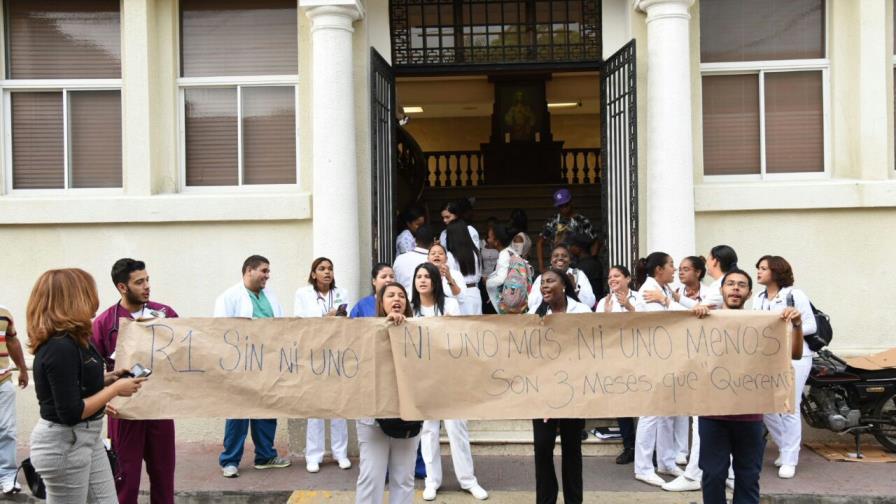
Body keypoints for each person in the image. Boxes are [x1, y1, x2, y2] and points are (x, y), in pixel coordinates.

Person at [26, 268, 145, 503]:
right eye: (89, 291)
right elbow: (70, 411)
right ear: (74, 299)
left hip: (86, 439)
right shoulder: (59, 348)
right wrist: (115, 390)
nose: (95, 298)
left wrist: (110, 378)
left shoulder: (75, 339)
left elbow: (75, 385)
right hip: (64, 444)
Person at [693, 268, 804, 504]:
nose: (735, 288)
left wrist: (796, 325)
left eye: (741, 285)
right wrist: (694, 318)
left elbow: (794, 354)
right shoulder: (703, 321)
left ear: (749, 293)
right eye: (730, 284)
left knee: (748, 477)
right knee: (713, 475)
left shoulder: (763, 324)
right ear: (721, 289)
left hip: (750, 417)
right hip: (713, 416)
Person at [91, 259, 177, 504]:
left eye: (147, 279)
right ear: (122, 287)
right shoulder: (105, 323)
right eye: (139, 282)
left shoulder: (166, 315)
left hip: (159, 410)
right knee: (125, 479)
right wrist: (101, 400)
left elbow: (183, 357)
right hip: (124, 413)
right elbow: (92, 373)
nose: (147, 286)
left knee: (163, 476)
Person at [411, 263, 488, 501]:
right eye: (419, 276)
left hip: (450, 376)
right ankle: (432, 481)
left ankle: (468, 480)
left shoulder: (450, 305)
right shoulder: (410, 309)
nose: (422, 280)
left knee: (457, 428)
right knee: (428, 430)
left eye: (427, 276)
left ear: (435, 280)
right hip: (423, 378)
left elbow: (461, 338)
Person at [216, 255, 290, 478]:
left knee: (266, 410)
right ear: (249, 270)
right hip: (240, 366)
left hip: (267, 364)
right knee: (238, 413)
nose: (268, 276)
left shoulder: (270, 296)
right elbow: (219, 331)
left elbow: (280, 324)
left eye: (268, 271)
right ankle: (230, 460)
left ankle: (265, 456)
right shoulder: (228, 297)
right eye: (264, 271)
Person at [353, 281, 419, 504]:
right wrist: (384, 328)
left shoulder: (418, 332)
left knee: (403, 478)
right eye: (391, 295)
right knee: (371, 477)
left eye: (401, 295)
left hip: (407, 418)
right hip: (372, 416)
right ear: (380, 303)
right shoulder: (365, 331)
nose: (397, 299)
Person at [754, 255, 817, 480]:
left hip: (796, 356)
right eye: (758, 268)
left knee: (789, 406)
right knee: (766, 405)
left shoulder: (794, 295)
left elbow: (810, 325)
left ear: (776, 272)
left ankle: (790, 459)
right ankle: (786, 446)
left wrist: (786, 326)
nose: (758, 272)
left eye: (763, 268)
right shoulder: (758, 298)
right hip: (768, 357)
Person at [532, 269, 589, 504]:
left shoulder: (583, 312)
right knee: (543, 449)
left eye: (550, 281)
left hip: (575, 391)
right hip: (543, 393)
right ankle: (546, 499)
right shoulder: (535, 316)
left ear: (563, 285)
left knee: (572, 449)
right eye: (542, 282)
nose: (545, 286)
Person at [661, 255, 718, 493]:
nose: (681, 273)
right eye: (679, 269)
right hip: (680, 356)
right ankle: (680, 458)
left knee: (700, 415)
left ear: (699, 272)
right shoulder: (674, 292)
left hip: (708, 361)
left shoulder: (711, 293)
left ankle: (697, 470)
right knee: (683, 410)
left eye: (686, 269)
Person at [632, 252, 686, 487]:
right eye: (671, 265)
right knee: (650, 413)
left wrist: (669, 298)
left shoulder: (662, 290)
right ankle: (643, 467)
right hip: (653, 358)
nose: (674, 270)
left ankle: (666, 461)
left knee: (667, 412)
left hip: (667, 358)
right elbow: (673, 320)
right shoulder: (649, 291)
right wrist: (668, 302)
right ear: (658, 270)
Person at [294, 257, 353, 472]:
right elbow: (300, 321)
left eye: (330, 269)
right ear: (313, 274)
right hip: (313, 353)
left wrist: (338, 317)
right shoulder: (302, 294)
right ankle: (314, 455)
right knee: (315, 406)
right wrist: (324, 316)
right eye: (322, 269)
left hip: (337, 352)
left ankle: (340, 453)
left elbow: (345, 319)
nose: (327, 272)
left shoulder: (341, 293)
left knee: (338, 405)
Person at [594, 265, 644, 466]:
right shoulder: (604, 302)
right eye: (609, 277)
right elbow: (598, 332)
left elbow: (650, 325)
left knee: (642, 404)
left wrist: (630, 308)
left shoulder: (640, 298)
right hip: (615, 357)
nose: (612, 279)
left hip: (638, 357)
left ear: (628, 279)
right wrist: (606, 316)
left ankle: (647, 448)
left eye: (616, 276)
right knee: (623, 404)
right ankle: (629, 446)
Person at [0, 305, 27, 495]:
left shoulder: (4, 313)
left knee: (7, 429)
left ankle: (7, 476)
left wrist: (23, 369)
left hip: (3, 381)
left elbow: (12, 340)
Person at [536, 189, 595, 273]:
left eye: (566, 205)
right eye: (560, 206)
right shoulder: (553, 221)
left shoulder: (582, 220)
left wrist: (590, 261)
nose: (564, 208)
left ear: (571, 202)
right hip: (558, 267)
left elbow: (595, 242)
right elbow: (540, 243)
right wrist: (541, 267)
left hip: (579, 267)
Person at [528, 244, 595, 312]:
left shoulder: (578, 275)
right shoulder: (542, 277)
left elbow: (590, 303)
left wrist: (574, 288)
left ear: (570, 260)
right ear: (551, 260)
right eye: (556, 256)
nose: (560, 258)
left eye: (564, 256)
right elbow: (531, 304)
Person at [394, 224, 457, 293]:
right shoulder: (441, 260)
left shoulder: (400, 259)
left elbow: (395, 282)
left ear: (415, 240)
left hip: (405, 300)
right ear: (434, 240)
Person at [443, 221, 483, 315]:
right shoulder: (476, 253)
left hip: (460, 295)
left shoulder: (451, 256)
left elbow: (450, 277)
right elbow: (479, 275)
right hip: (475, 293)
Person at [568, 232, 605, 300]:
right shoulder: (593, 262)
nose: (570, 248)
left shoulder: (584, 266)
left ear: (579, 248)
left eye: (572, 246)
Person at [703, 245, 738, 309]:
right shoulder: (719, 283)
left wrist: (679, 298)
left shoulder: (722, 284)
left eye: (708, 258)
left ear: (715, 261)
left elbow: (701, 309)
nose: (706, 263)